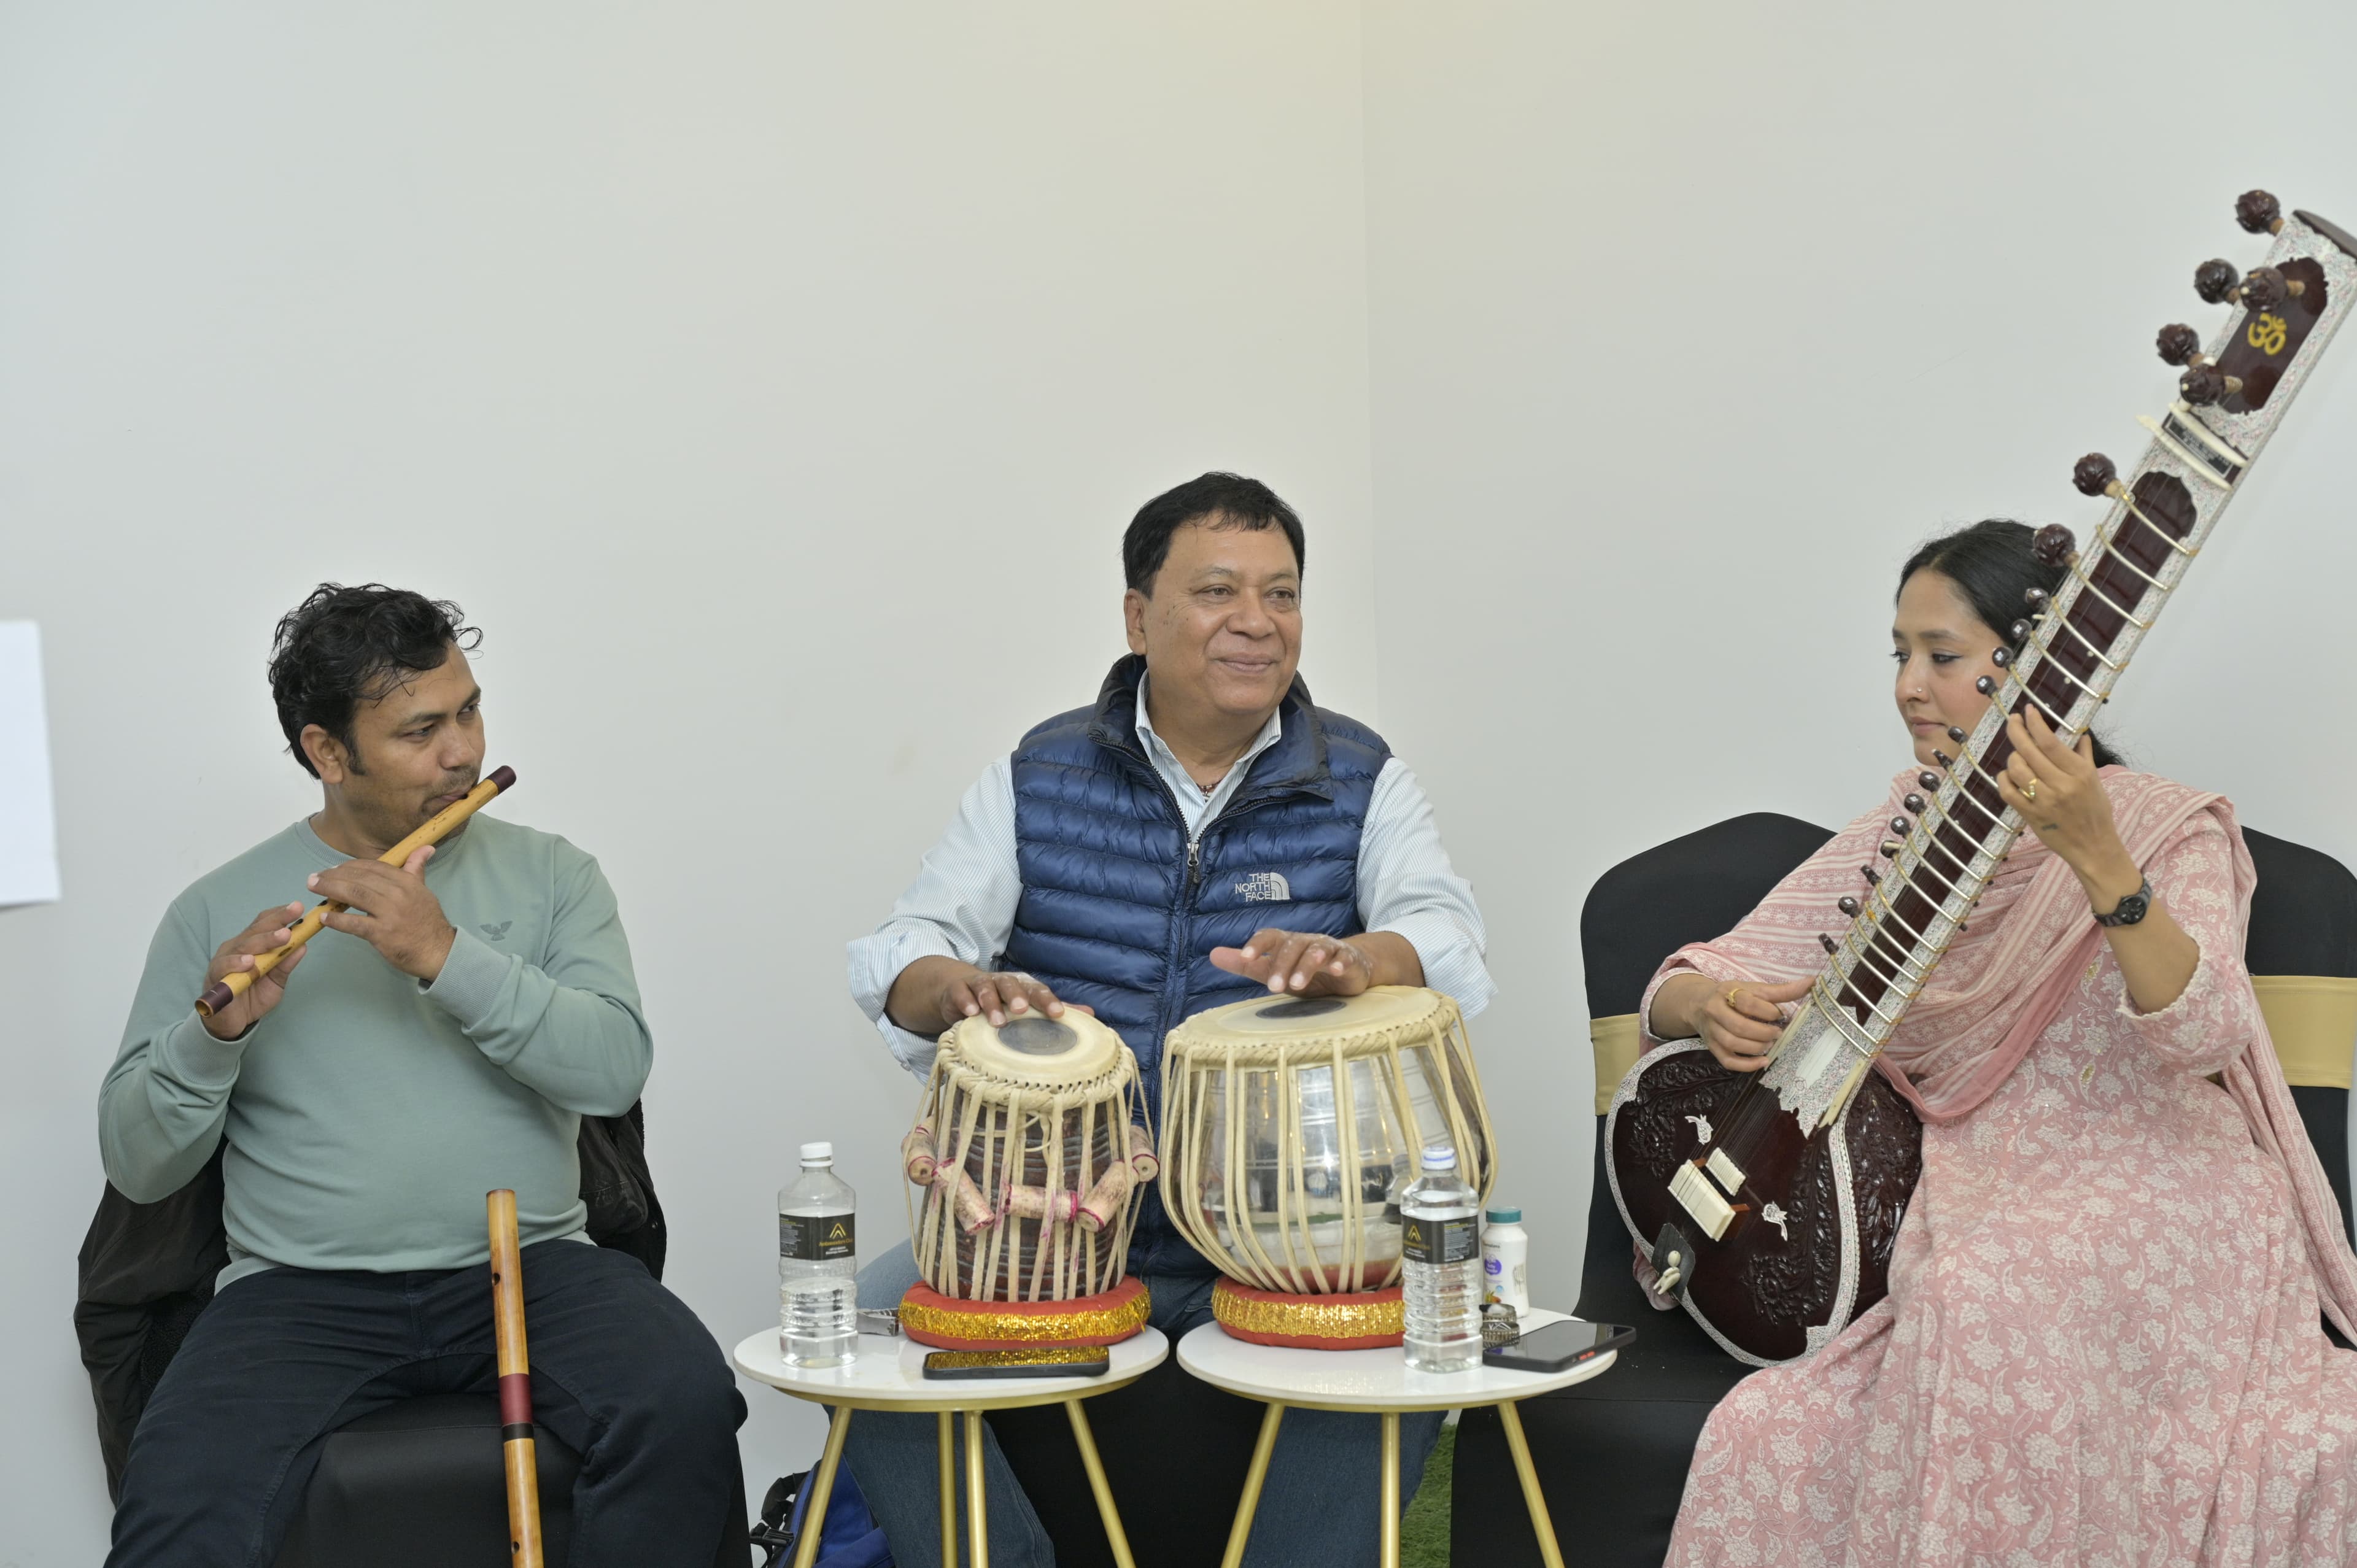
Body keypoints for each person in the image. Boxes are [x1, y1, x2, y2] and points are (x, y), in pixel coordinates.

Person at [1642, 521, 2357, 1564]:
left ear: (2042, 669)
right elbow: (1681, 976)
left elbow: (2202, 1037)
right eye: (1900, 655)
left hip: (2174, 1190)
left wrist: (2098, 857)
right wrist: (1705, 1004)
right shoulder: (1905, 842)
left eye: (1943, 656)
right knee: (1772, 1434)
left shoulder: (2162, 826)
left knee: (1988, 1296)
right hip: (1990, 1191)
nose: (1909, 687)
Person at [845, 472, 1494, 1566]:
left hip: (1297, 1237)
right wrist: (959, 989)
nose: (1257, 622)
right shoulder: (1038, 774)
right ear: (1139, 616)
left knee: (1436, 1317)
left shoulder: (1362, 776)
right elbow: (905, 949)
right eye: (1219, 592)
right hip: (1057, 1226)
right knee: (863, 1327)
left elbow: (1448, 938)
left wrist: (1352, 961)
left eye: (1283, 594)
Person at [98, 585, 745, 1567]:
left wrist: (448, 955)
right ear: (327, 753)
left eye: (470, 711)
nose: (464, 752)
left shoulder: (556, 876)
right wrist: (210, 1039)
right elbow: (139, 1168)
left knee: (686, 1401)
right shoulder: (214, 906)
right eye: (420, 731)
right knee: (178, 1498)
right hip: (301, 1292)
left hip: (530, 1268)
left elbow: (613, 1072)